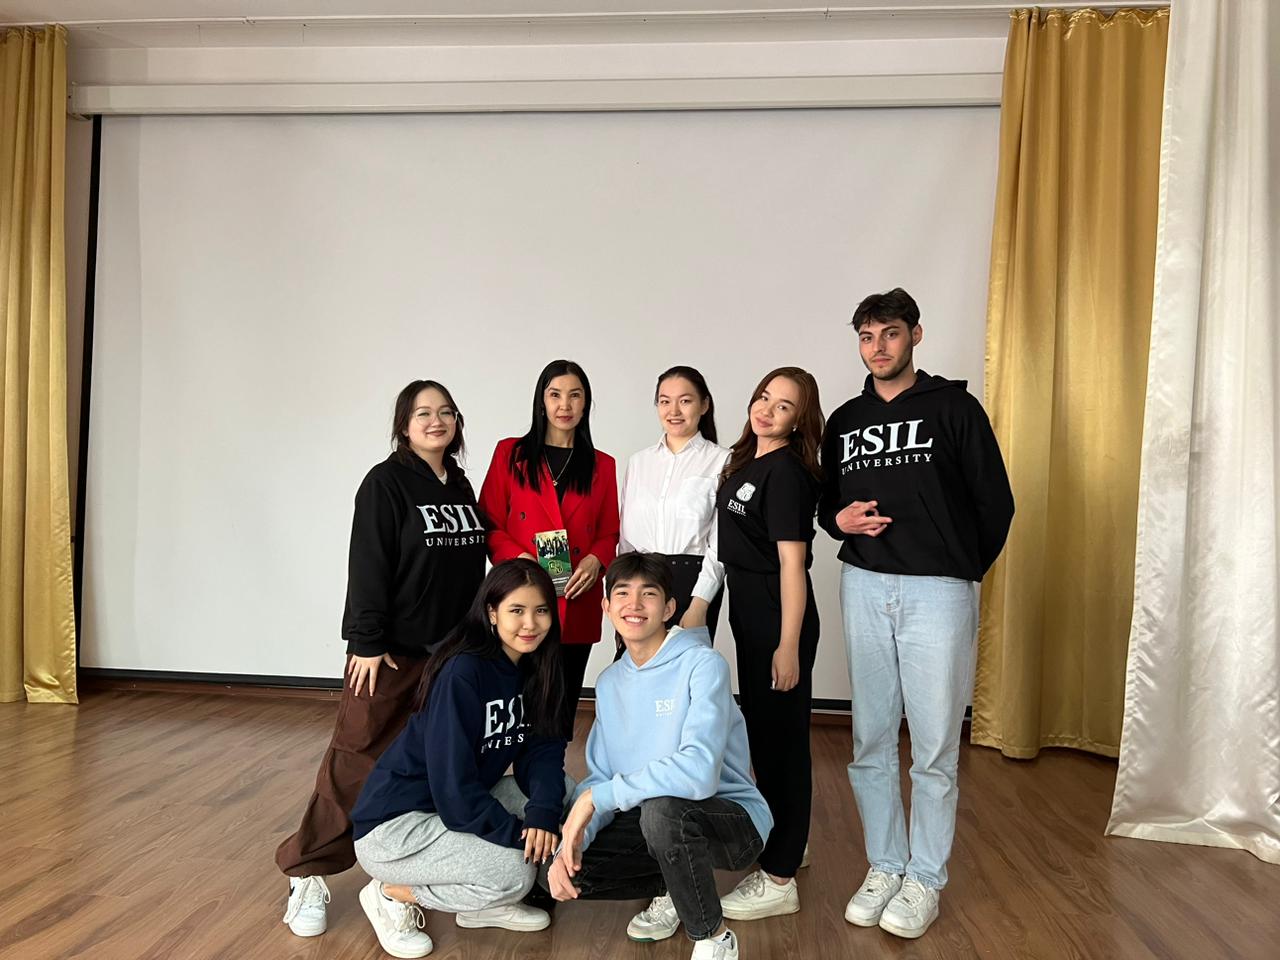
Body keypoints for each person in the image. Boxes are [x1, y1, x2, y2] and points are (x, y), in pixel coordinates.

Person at [818, 287, 1014, 940]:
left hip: (938, 592)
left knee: (933, 746)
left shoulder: (954, 407)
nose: (878, 347)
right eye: (867, 336)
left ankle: (925, 876)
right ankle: (885, 865)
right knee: (871, 739)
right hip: (864, 586)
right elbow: (827, 506)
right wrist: (838, 521)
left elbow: (996, 502)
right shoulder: (845, 420)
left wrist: (957, 566)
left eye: (890, 333)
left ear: (915, 336)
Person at [276, 380, 487, 939]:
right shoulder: (385, 483)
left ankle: (395, 883)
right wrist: (366, 642)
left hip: (449, 657)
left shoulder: (459, 485)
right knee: (356, 762)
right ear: (403, 425)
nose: (436, 421)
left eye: (446, 412)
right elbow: (367, 563)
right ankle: (306, 872)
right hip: (390, 655)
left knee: (428, 769)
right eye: (423, 413)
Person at [545, 552, 772, 960]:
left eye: (648, 594)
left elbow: (699, 773)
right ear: (606, 606)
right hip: (656, 823)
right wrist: (571, 844)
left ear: (669, 608)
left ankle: (714, 938)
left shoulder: (703, 665)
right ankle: (674, 884)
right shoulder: (609, 683)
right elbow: (601, 778)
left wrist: (597, 798)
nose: (634, 604)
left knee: (663, 812)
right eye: (622, 594)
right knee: (561, 870)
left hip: (732, 820)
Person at [350, 559, 571, 959]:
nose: (530, 624)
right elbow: (454, 790)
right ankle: (392, 894)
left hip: (448, 809)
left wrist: (541, 815)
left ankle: (480, 906)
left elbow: (543, 750)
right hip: (395, 829)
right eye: (516, 610)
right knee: (514, 872)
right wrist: (521, 837)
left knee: (564, 794)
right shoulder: (464, 672)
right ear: (492, 613)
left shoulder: (538, 667)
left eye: (541, 610)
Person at [714, 367, 824, 921]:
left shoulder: (786, 473)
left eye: (783, 406)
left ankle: (780, 879)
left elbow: (792, 564)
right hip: (751, 611)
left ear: (799, 421)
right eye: (764, 397)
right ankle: (789, 842)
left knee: (782, 745)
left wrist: (788, 643)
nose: (766, 410)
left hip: (777, 614)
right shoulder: (747, 461)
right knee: (765, 737)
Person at [478, 359, 620, 738]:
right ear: (541, 401)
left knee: (561, 705)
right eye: (555, 394)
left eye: (575, 395)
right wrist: (519, 560)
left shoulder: (602, 465)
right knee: (512, 704)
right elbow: (489, 522)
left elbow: (610, 531)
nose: (565, 405)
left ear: (586, 403)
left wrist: (596, 559)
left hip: (576, 595)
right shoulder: (511, 454)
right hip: (521, 597)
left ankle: (551, 771)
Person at [617, 366, 730, 653]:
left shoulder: (723, 460)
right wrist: (622, 596)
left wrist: (699, 604)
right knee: (635, 670)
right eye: (665, 401)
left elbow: (720, 545)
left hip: (692, 586)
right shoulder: (639, 462)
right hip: (640, 585)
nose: (674, 411)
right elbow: (626, 539)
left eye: (685, 401)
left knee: (685, 671)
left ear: (704, 405)